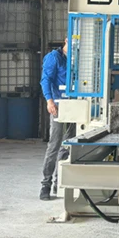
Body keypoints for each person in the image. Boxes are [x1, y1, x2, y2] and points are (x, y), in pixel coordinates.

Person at [39, 38, 74, 201]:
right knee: (54, 144)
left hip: (75, 107)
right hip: (58, 107)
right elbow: (45, 79)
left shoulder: (78, 59)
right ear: (66, 40)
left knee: (68, 145)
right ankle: (45, 184)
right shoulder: (54, 57)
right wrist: (49, 100)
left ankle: (59, 182)